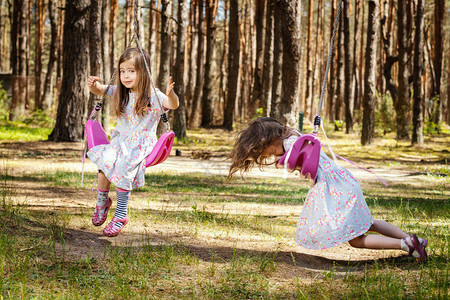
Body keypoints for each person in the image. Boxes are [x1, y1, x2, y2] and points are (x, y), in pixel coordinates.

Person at [227, 117, 428, 260]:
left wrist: (281, 161)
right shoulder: (296, 137)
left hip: (336, 190)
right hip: (344, 182)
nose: (268, 157)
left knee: (356, 240)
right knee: (369, 223)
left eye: (266, 152)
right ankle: (415, 240)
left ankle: (405, 245)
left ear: (271, 140)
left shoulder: (290, 146)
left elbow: (289, 163)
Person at [87, 47, 179, 237]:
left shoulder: (154, 95)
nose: (125, 76)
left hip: (140, 146)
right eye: (122, 71)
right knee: (105, 162)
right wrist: (93, 85)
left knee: (122, 165)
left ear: (143, 72)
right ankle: (102, 201)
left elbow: (172, 105)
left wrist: (170, 94)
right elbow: (101, 89)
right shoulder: (122, 92)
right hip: (120, 142)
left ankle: (121, 214)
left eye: (131, 71)